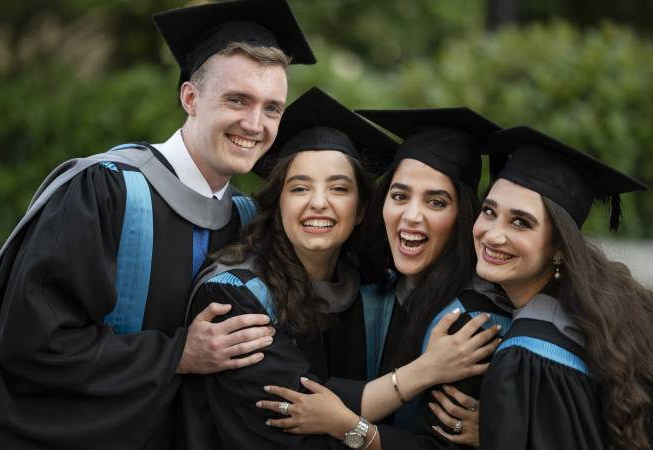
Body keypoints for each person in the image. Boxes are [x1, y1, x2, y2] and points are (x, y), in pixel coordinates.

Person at [0, 1, 315, 449]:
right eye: (237, 100)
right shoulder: (104, 191)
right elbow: (30, 344)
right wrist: (177, 355)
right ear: (190, 97)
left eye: (272, 109)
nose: (254, 124)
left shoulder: (245, 217)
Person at [180, 89, 499, 450]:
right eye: (300, 188)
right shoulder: (234, 297)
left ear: (362, 209)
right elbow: (291, 418)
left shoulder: (372, 289)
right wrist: (421, 374)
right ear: (278, 201)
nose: (319, 203)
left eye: (339, 188)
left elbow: (328, 407)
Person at [260, 108, 511, 450]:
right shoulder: (370, 289)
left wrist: (350, 428)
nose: (411, 216)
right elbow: (310, 396)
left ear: (463, 216)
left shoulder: (470, 324)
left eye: (436, 202)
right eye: (399, 196)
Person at [474, 126, 653, 450]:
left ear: (559, 245)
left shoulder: (527, 356)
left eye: (520, 222)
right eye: (489, 211)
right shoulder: (604, 314)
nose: (492, 234)